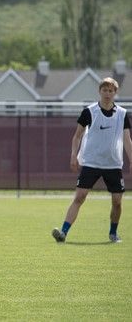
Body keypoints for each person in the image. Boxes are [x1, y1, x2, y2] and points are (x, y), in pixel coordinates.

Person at [52, 77, 132, 243]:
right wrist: (73, 155)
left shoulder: (122, 114)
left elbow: (127, 140)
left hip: (113, 164)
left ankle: (113, 233)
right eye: (105, 90)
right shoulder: (89, 111)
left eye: (111, 91)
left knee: (117, 201)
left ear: (115, 93)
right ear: (99, 91)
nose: (107, 94)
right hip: (91, 162)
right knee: (79, 197)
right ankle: (63, 233)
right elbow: (77, 136)